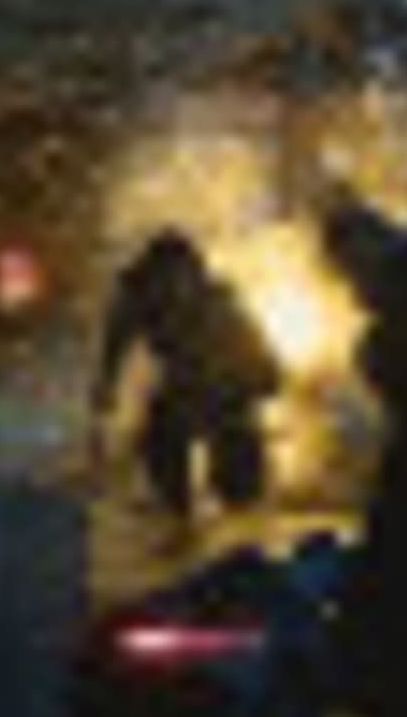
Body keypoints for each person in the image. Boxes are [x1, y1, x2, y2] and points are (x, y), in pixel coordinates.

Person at [90, 230, 281, 541]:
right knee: (163, 441)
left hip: (224, 383)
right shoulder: (137, 296)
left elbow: (251, 345)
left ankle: (243, 512)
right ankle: (181, 513)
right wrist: (105, 390)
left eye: (180, 278)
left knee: (237, 461)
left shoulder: (215, 299)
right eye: (167, 281)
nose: (176, 288)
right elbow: (116, 343)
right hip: (183, 382)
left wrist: (258, 376)